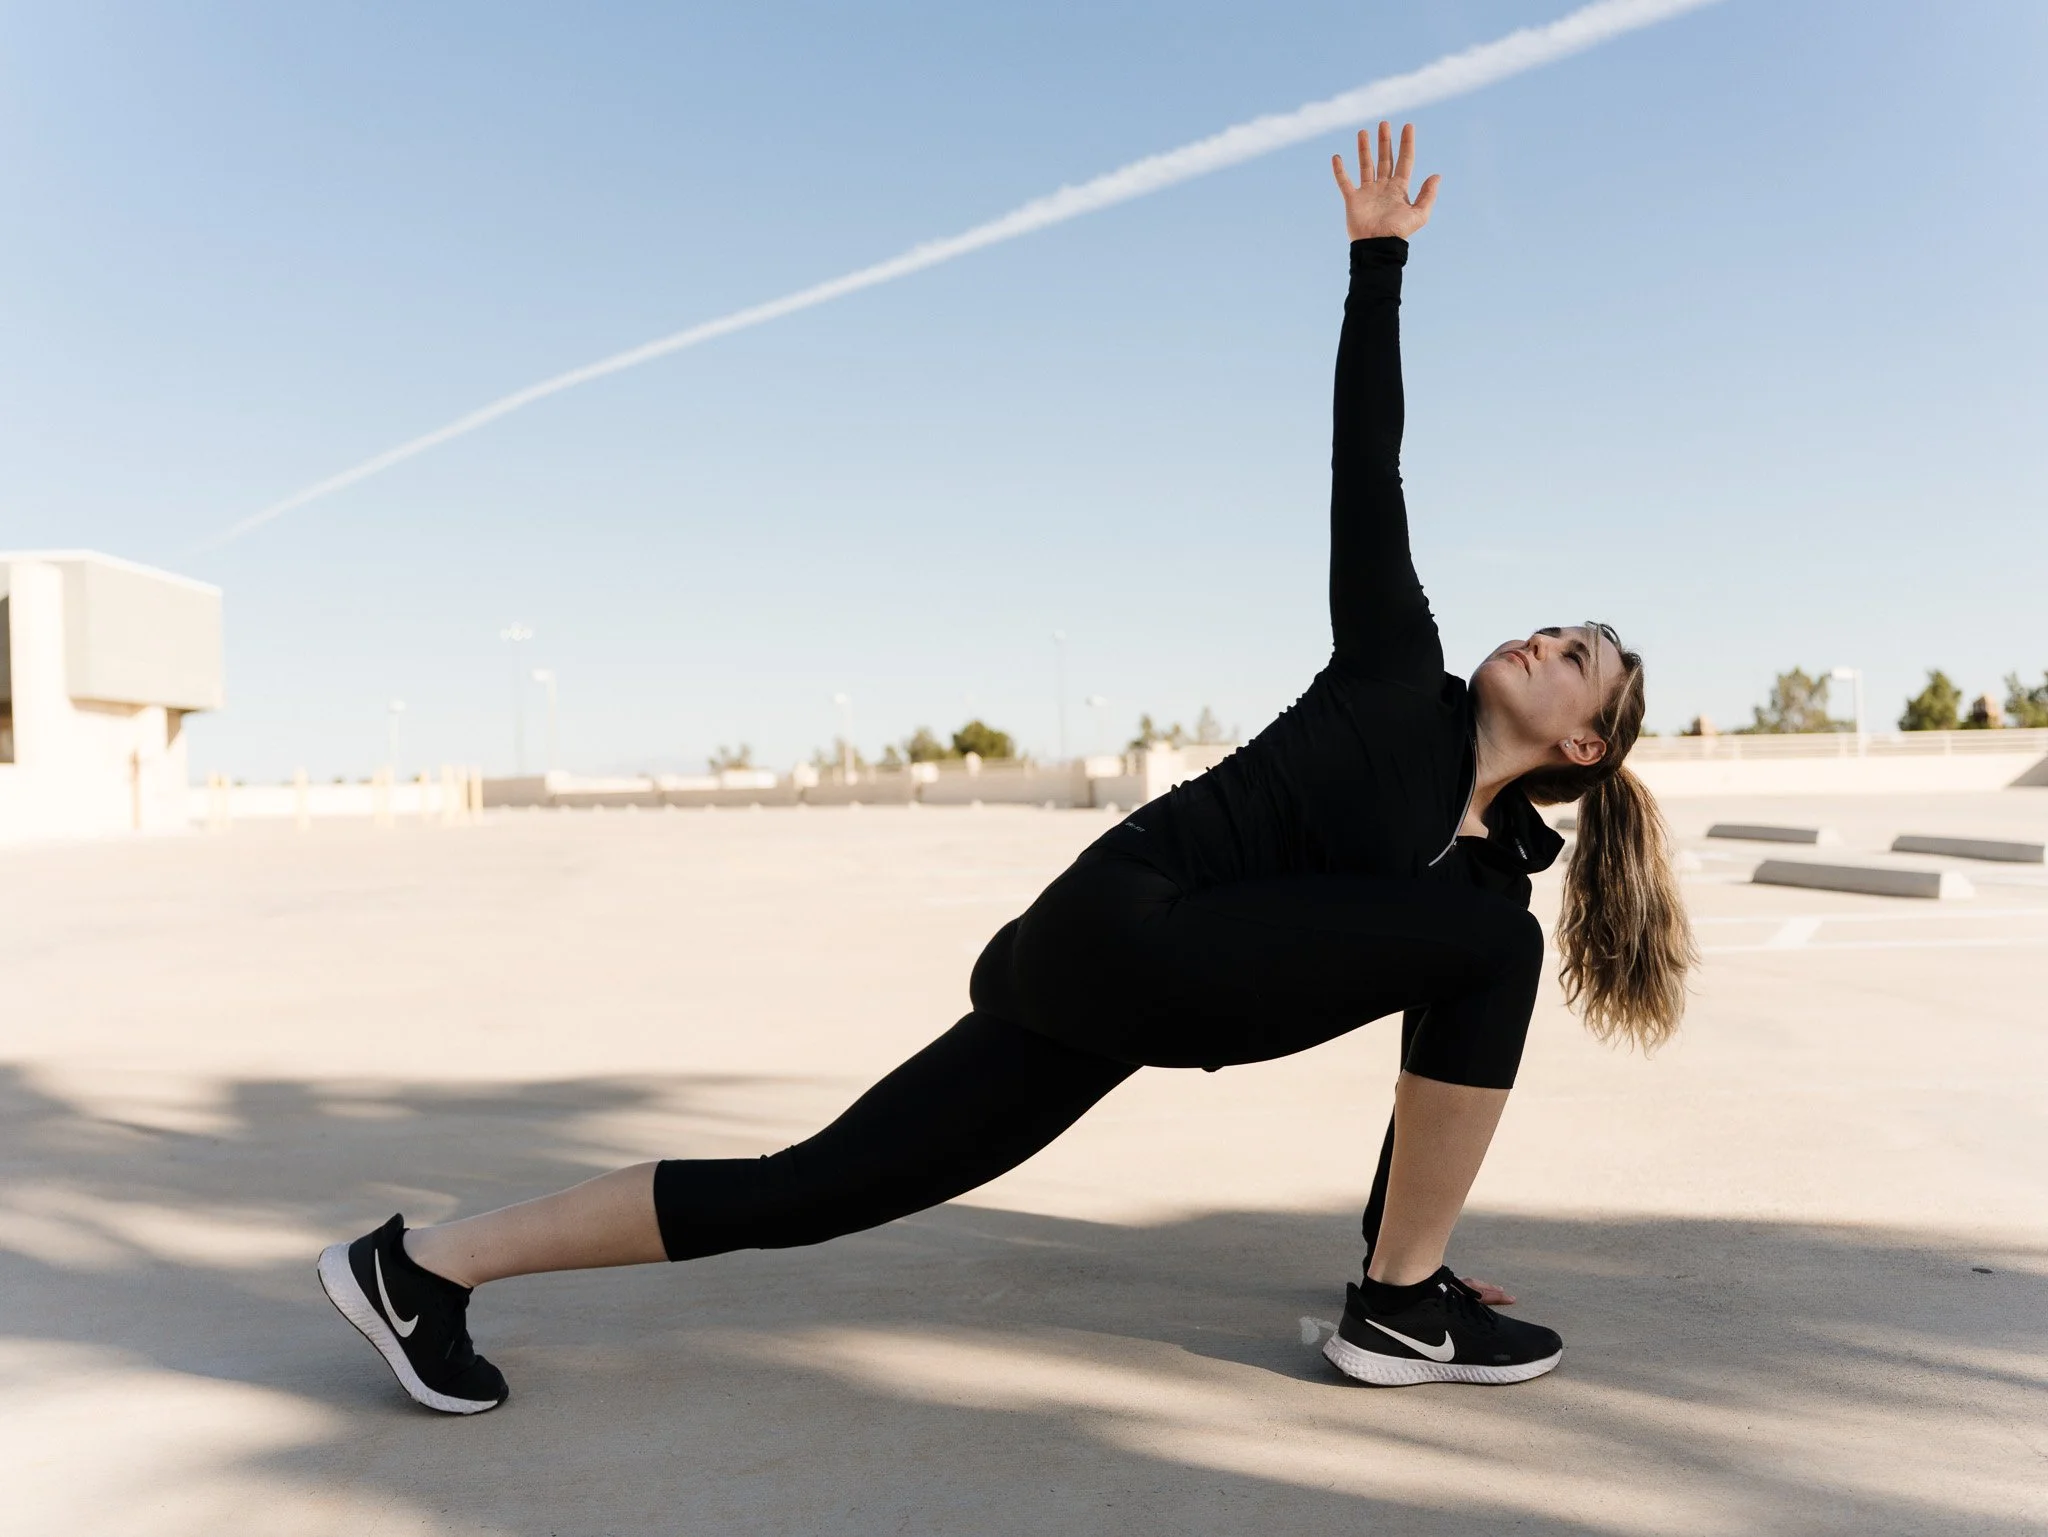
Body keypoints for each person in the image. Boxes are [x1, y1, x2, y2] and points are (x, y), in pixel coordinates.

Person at [318, 122, 1695, 1413]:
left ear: (1583, 746)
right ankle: (1396, 1312)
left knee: (813, 1188)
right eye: (1556, 627)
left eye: (1579, 657)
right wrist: (1376, 266)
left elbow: (1419, 1048)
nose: (1545, 638)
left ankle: (424, 1266)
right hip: (1138, 932)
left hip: (1101, 969)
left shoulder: (1463, 873)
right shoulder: (1404, 673)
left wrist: (1416, 1233)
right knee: (1491, 949)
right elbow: (1368, 464)